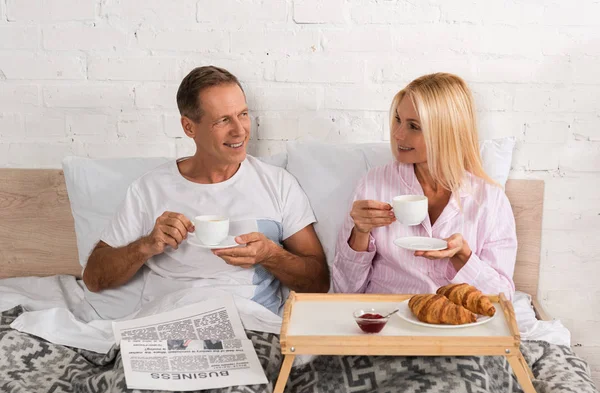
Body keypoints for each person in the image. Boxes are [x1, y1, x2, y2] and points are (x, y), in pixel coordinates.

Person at [83, 66, 330, 315]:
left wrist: (270, 255)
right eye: (223, 120)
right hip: (166, 322)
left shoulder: (277, 184)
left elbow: (318, 282)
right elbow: (94, 278)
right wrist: (145, 246)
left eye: (243, 114)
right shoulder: (149, 188)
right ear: (189, 127)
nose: (240, 130)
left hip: (249, 322)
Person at [332, 73, 517, 299]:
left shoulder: (490, 200)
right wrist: (359, 233)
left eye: (414, 126)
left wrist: (463, 257)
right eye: (398, 120)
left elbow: (502, 297)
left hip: (454, 324)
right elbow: (345, 291)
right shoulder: (374, 184)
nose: (398, 134)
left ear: (446, 132)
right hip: (388, 318)